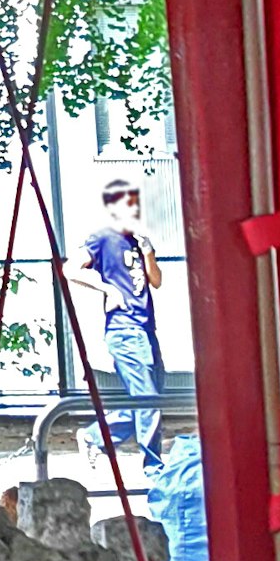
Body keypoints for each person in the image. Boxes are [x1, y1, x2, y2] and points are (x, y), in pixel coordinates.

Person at [81, 179, 165, 459]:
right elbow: (70, 269)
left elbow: (156, 281)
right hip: (123, 330)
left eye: (137, 205)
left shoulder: (138, 241)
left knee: (147, 397)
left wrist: (149, 251)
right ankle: (154, 469)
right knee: (148, 400)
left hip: (146, 328)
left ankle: (94, 436)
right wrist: (106, 288)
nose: (135, 210)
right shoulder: (102, 238)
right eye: (128, 205)